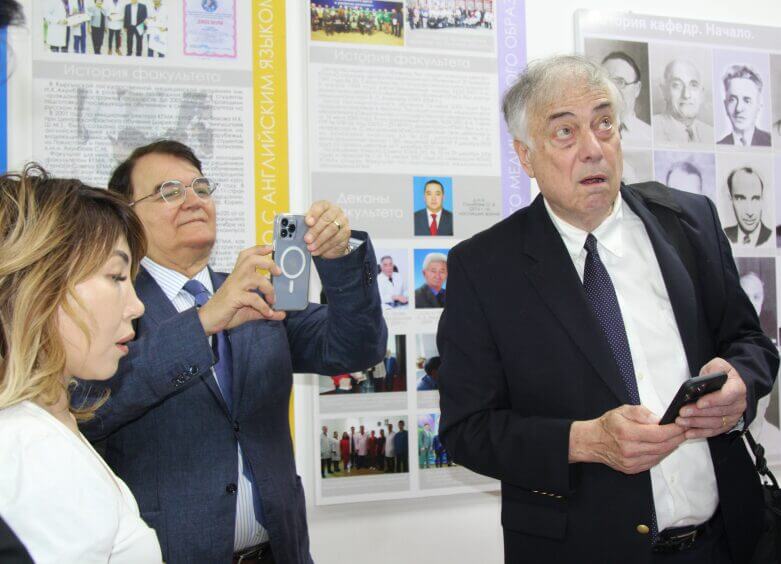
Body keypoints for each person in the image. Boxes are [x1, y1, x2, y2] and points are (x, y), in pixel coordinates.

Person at [438, 55, 777, 562]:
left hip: (725, 541)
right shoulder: (484, 267)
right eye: (565, 132)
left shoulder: (691, 220)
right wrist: (583, 441)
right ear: (525, 156)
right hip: (583, 548)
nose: (593, 149)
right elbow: (466, 429)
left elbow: (751, 342)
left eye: (604, 124)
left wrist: (740, 385)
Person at [76, 140, 387, 563]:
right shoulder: (111, 304)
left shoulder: (257, 291)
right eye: (169, 192)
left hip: (281, 551)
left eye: (201, 188)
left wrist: (340, 258)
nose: (193, 201)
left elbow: (358, 347)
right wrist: (203, 321)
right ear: (127, 214)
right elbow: (90, 409)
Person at [0, 164, 162, 563]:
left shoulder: (46, 425)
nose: (137, 306)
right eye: (116, 276)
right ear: (41, 287)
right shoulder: (31, 448)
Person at [653, 59, 714, 144]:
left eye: (693, 85)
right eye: (676, 85)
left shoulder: (711, 134)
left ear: (702, 94)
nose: (686, 95)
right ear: (664, 91)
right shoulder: (652, 130)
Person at [601, 51, 651, 146]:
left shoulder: (650, 135)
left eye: (620, 82)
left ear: (637, 89)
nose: (611, 90)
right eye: (605, 82)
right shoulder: (587, 133)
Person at [718, 65, 771, 147]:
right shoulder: (720, 145)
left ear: (759, 105)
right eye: (732, 100)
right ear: (725, 105)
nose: (738, 108)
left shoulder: (771, 142)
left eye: (747, 101)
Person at [723, 166, 772, 247]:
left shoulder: (772, 237)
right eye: (740, 199)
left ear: (762, 198)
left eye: (755, 198)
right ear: (731, 199)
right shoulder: (723, 235)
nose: (749, 212)